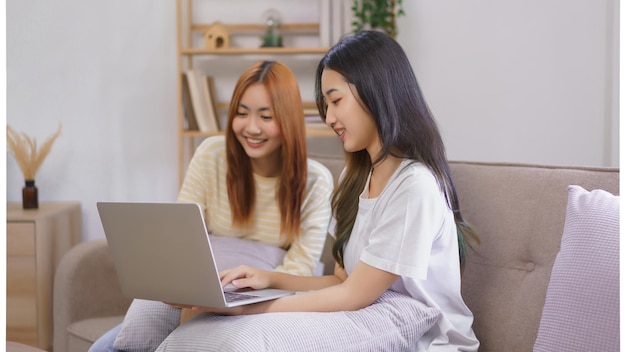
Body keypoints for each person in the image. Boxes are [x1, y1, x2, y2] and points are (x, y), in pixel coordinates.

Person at [179, 30, 481, 351]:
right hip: (367, 318)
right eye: (326, 104)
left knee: (245, 335)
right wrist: (268, 280)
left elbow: (354, 295)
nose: (330, 117)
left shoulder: (414, 186)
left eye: (336, 100)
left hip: (425, 339)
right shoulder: (354, 176)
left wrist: (248, 309)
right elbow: (341, 282)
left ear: (376, 91)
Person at [88, 60, 334, 352]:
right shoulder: (211, 154)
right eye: (242, 114)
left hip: (265, 296)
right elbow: (182, 235)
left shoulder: (315, 180)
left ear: (289, 119)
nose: (251, 128)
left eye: (266, 117)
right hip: (201, 283)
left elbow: (302, 267)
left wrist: (245, 291)